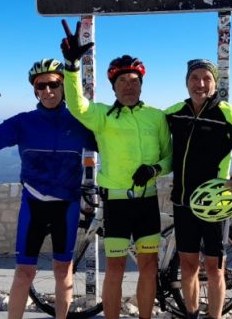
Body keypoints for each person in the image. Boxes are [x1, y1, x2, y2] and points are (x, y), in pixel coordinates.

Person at [0, 58, 97, 319]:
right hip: (34, 204)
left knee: (63, 270)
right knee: (24, 273)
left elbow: (113, 142)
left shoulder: (80, 121)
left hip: (66, 206)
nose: (48, 91)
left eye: (54, 84)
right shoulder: (23, 122)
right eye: (41, 86)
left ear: (63, 87)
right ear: (34, 90)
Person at [60, 22, 172, 319]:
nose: (128, 86)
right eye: (122, 82)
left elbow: (169, 157)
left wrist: (155, 168)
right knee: (116, 269)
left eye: (134, 81)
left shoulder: (156, 117)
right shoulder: (103, 116)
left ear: (141, 84)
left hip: (146, 201)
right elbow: (76, 105)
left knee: (148, 267)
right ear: (113, 86)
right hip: (116, 203)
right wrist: (71, 66)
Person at [165, 59, 232, 319]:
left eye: (206, 78)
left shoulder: (228, 114)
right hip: (183, 202)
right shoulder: (174, 113)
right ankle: (191, 314)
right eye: (194, 78)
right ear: (186, 82)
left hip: (215, 206)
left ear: (215, 83)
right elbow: (144, 136)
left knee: (214, 269)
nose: (200, 84)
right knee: (188, 266)